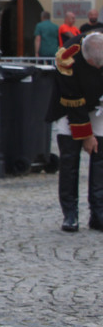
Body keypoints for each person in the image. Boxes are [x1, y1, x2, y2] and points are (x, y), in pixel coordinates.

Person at [45, 32, 103, 233]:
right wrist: (86, 135)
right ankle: (70, 214)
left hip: (98, 105)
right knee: (69, 160)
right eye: (96, 65)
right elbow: (73, 99)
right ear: (87, 58)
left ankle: (98, 213)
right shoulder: (66, 58)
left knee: (101, 159)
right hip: (70, 105)